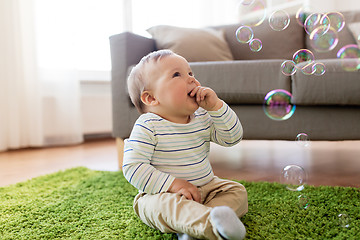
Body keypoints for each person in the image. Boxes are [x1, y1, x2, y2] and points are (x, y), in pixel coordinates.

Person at [123, 49, 248, 240]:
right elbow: (133, 167)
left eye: (190, 73)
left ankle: (195, 226)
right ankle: (208, 225)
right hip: (163, 194)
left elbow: (232, 138)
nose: (191, 79)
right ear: (151, 98)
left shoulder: (202, 117)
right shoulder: (148, 125)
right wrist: (174, 184)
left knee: (237, 191)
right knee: (157, 206)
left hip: (207, 188)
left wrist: (217, 107)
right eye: (176, 74)